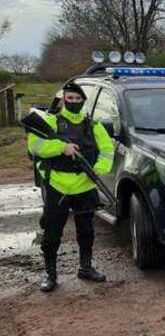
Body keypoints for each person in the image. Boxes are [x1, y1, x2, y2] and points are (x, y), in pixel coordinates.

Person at [27, 82, 114, 292]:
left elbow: (107, 149)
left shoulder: (93, 125)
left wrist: (99, 168)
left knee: (86, 230)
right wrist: (61, 147)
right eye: (70, 98)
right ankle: (51, 274)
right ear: (64, 99)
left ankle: (85, 267)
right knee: (52, 233)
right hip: (58, 186)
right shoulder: (51, 121)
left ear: (83, 100)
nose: (74, 102)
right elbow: (35, 146)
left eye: (78, 99)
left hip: (85, 185)